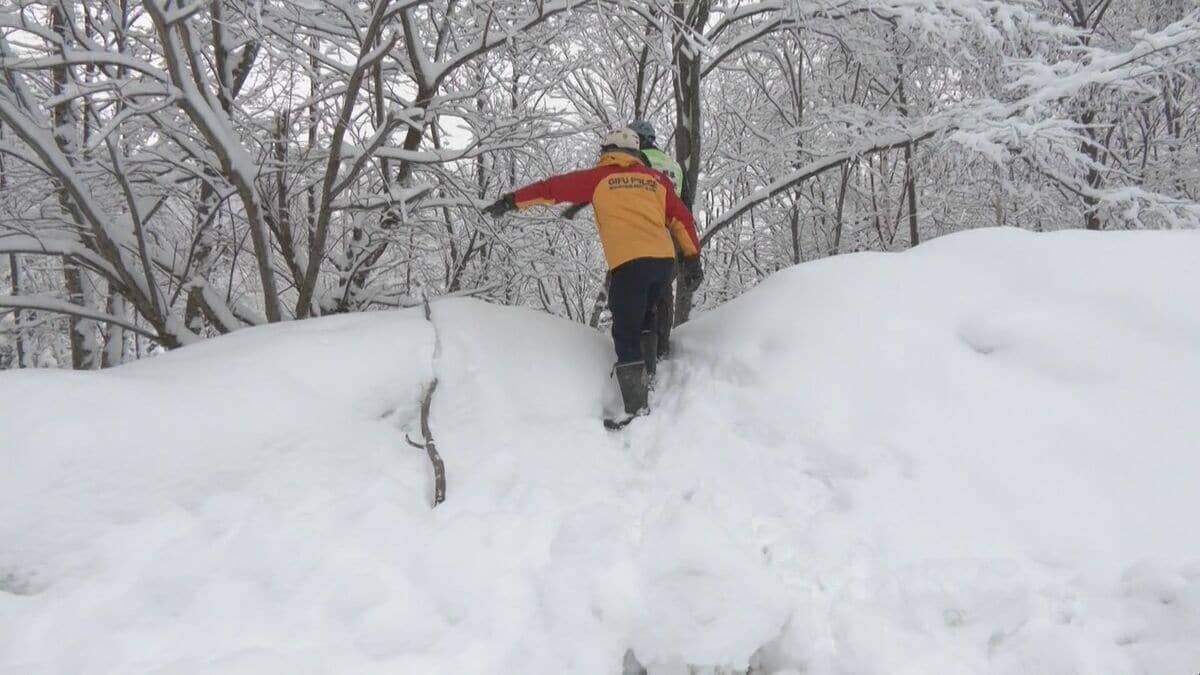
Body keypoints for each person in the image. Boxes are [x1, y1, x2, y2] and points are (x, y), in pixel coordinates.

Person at [483, 127, 704, 427]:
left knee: (625, 330)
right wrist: (692, 260)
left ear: (609, 151)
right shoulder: (657, 180)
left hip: (630, 263)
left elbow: (552, 189)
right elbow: (682, 219)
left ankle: (636, 409)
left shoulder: (599, 179)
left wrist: (512, 201)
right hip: (663, 263)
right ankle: (648, 376)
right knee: (648, 317)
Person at [626, 119, 686, 362]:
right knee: (663, 291)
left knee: (637, 288)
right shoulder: (675, 167)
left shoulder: (635, 164)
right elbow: (686, 206)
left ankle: (641, 345)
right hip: (671, 234)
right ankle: (662, 345)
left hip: (642, 231)